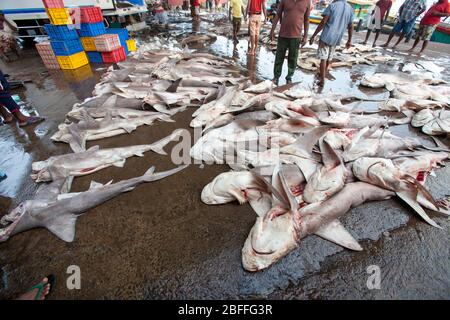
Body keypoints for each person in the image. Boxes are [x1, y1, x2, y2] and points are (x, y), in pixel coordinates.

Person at [309, 0, 353, 87]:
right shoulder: (350, 9)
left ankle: (322, 80)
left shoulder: (332, 6)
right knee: (329, 57)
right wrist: (349, 40)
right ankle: (323, 75)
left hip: (327, 36)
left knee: (323, 59)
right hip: (337, 38)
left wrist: (314, 35)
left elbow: (324, 21)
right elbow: (351, 26)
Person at [270, 0, 311, 85]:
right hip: (283, 35)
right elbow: (278, 14)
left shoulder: (307, 2)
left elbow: (306, 19)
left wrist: (305, 36)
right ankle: (276, 77)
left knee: (293, 59)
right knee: (279, 57)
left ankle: (289, 77)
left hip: (296, 36)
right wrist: (272, 30)